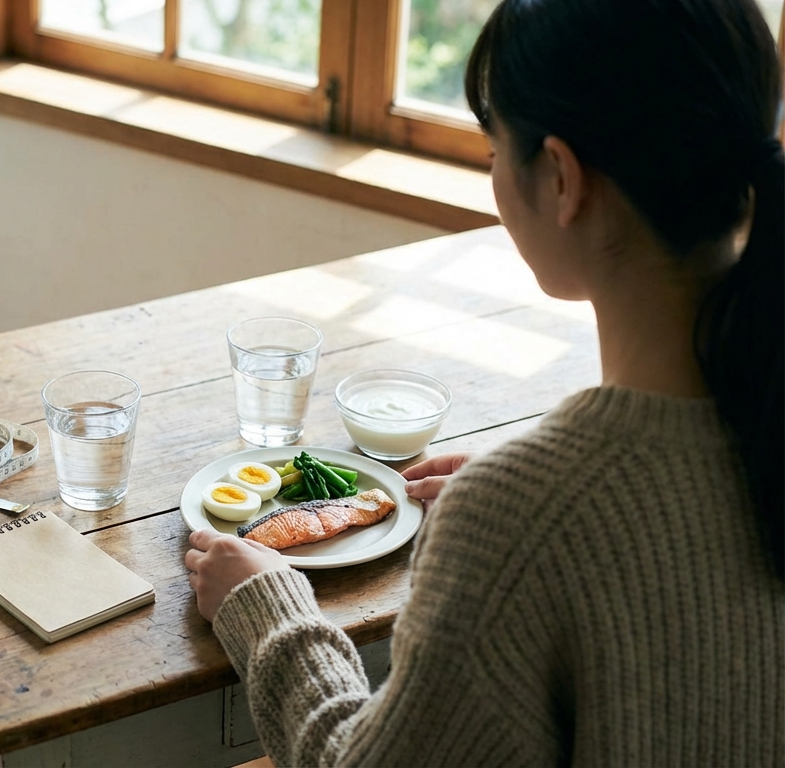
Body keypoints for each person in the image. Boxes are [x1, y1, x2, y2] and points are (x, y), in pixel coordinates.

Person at [184, 0, 784, 764]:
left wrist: (265, 607)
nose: (493, 175)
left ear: (563, 178)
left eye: (495, 148)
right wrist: (530, 493)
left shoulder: (521, 520)